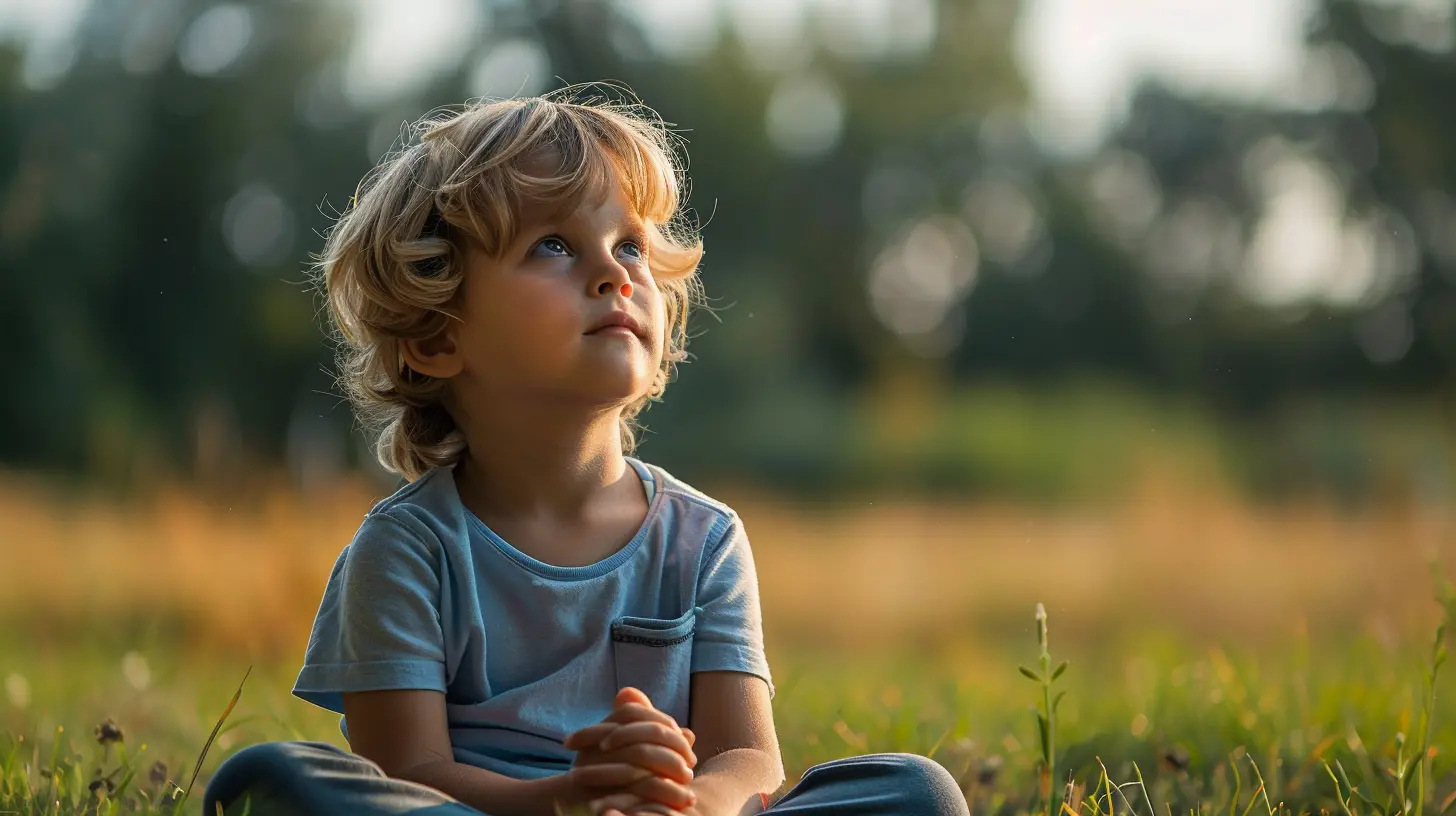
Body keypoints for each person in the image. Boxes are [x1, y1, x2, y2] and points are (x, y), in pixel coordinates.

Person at [203, 86, 970, 816]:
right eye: (554, 246)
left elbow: (746, 760)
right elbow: (412, 777)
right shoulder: (407, 550)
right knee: (272, 780)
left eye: (630, 244)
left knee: (914, 793)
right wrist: (570, 802)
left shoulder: (703, 541)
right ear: (437, 336)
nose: (614, 273)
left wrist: (682, 804)